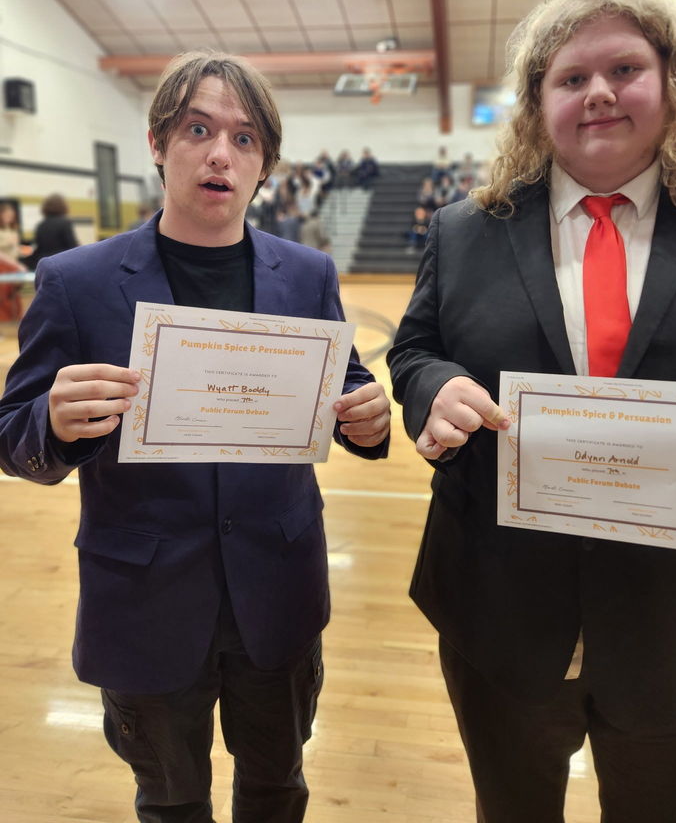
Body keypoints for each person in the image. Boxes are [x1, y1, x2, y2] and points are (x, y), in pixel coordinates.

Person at [387, 0, 676, 823]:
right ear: (538, 103)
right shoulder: (464, 230)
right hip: (500, 611)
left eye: (624, 69)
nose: (598, 92)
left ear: (670, 86)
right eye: (570, 77)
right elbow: (414, 348)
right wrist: (434, 387)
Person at [0, 51, 391, 823]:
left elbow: (343, 384)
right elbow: (13, 434)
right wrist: (49, 421)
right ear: (157, 143)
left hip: (277, 589)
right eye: (198, 129)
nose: (221, 153)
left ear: (265, 165)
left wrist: (369, 423)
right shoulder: (74, 281)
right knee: (170, 800)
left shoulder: (307, 274)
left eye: (245, 140)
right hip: (144, 597)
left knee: (277, 789)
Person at [26, 192, 78, 268]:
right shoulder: (65, 223)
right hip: (61, 262)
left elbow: (38, 248)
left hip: (45, 263)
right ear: (63, 206)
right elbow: (72, 246)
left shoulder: (41, 225)